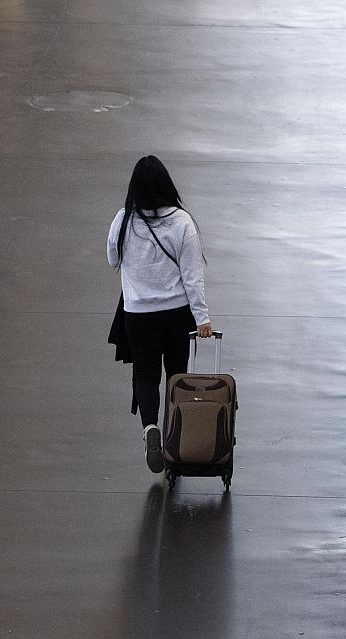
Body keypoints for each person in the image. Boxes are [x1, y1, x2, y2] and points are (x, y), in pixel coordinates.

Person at [108, 155, 212, 473]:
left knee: (145, 374)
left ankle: (150, 426)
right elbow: (192, 275)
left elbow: (113, 259)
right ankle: (175, 435)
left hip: (138, 314)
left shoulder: (123, 220)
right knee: (177, 374)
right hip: (177, 313)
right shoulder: (182, 222)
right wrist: (202, 318)